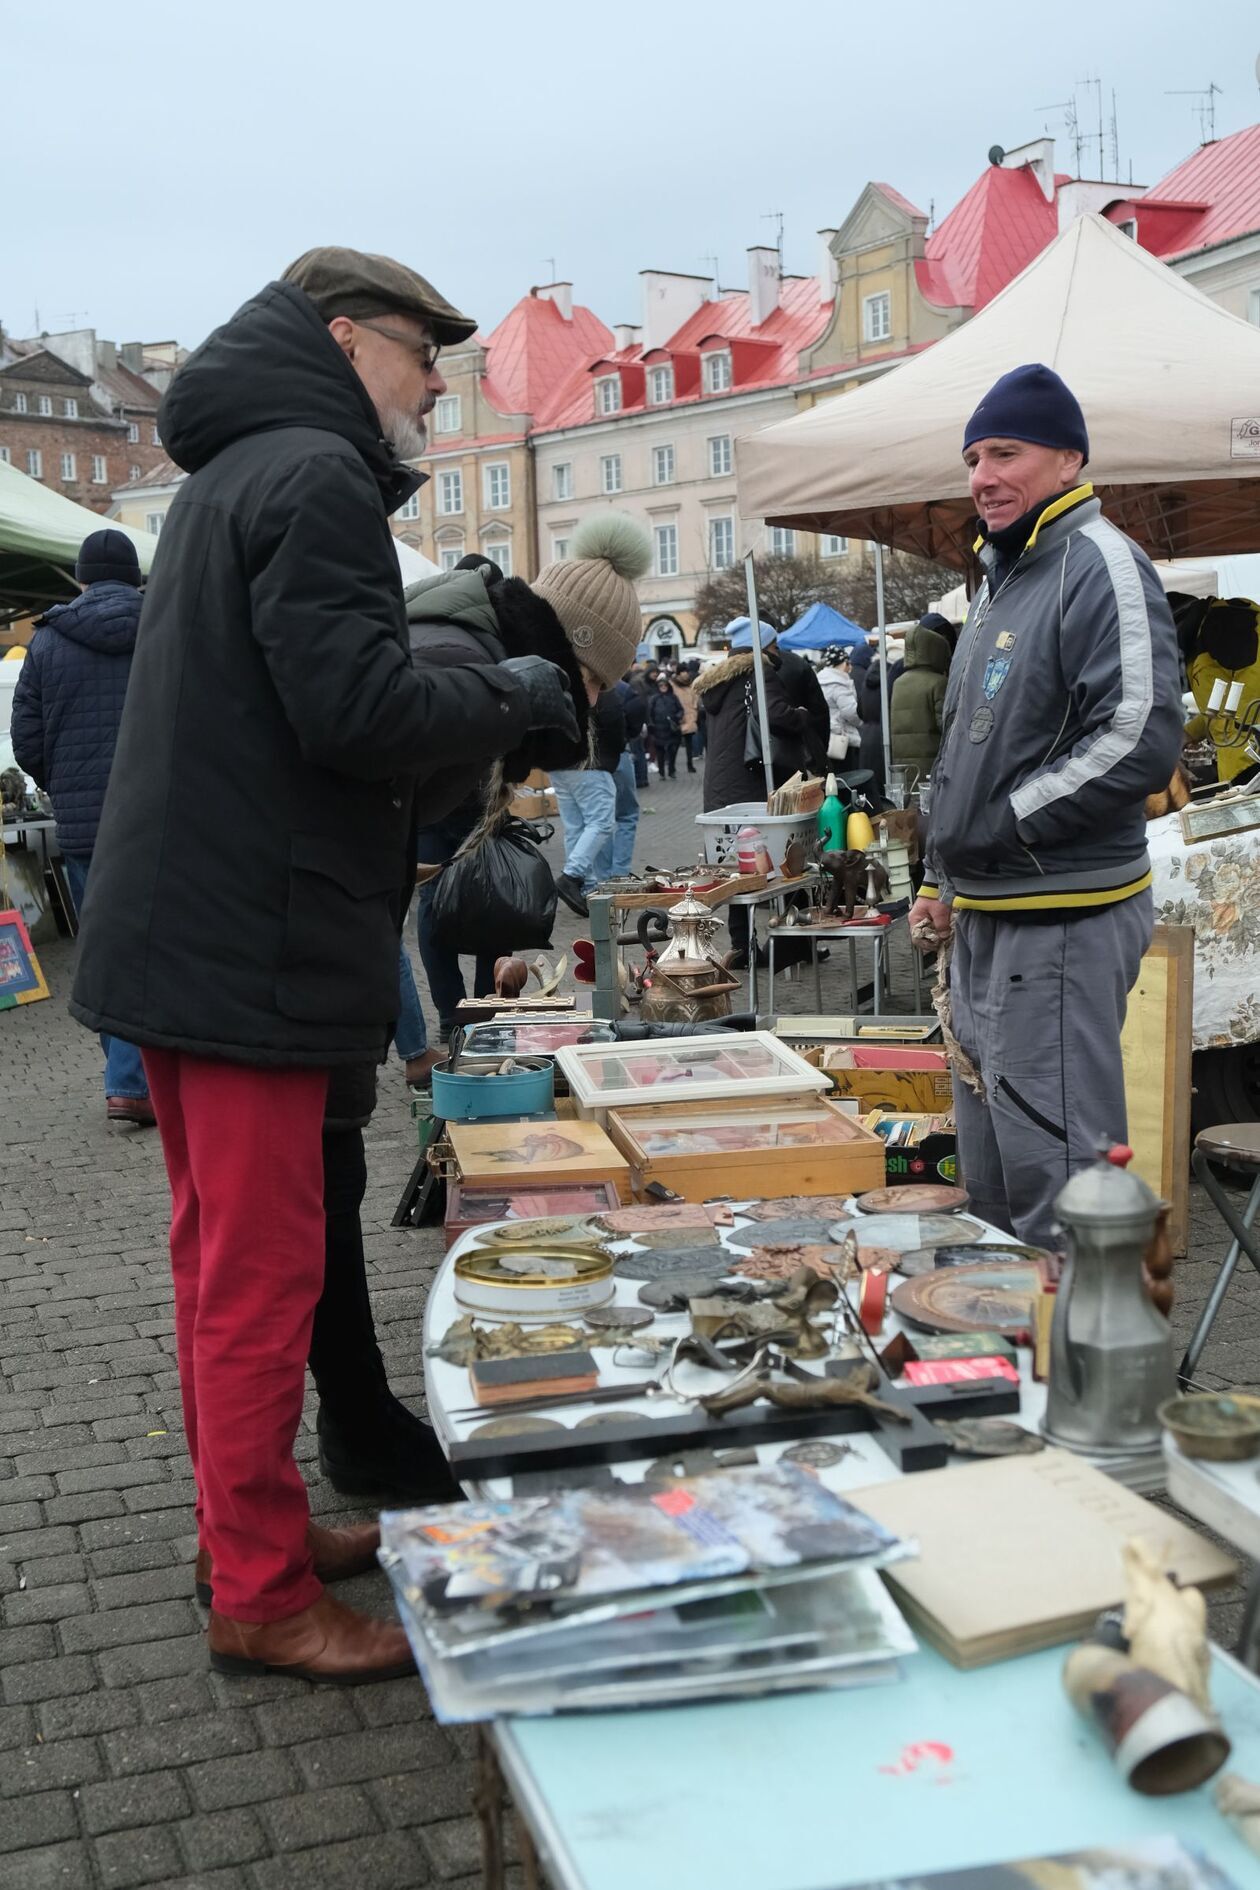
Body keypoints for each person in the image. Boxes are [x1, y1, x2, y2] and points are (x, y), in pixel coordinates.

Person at [69, 246, 580, 1685]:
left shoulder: (247, 471)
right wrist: (512, 688)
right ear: (350, 338)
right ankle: (259, 1590)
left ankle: (251, 1529)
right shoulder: (311, 476)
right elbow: (353, 705)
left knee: (222, 1265)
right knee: (260, 1275)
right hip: (245, 947)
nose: (434, 384)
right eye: (425, 355)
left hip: (205, 935)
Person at [909, 363, 1182, 1249]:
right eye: (974, 456)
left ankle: (1089, 1377)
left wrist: (998, 824)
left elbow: (1140, 735)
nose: (982, 475)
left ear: (1069, 460)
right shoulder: (1002, 579)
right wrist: (945, 875)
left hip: (1062, 919)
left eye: (1005, 452)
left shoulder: (1099, 560)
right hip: (991, 916)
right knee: (992, 1198)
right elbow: (974, 748)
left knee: (1062, 1199)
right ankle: (1006, 1373)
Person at [404, 549, 591, 1040]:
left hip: (432, 796)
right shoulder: (479, 638)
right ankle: (483, 1008)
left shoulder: (437, 624)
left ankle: (454, 1014)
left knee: (436, 902)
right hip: (472, 792)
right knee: (491, 896)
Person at [10, 529, 154, 1125]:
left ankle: (125, 1079)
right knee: (166, 948)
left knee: (105, 947)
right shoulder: (167, 625)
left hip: (86, 826)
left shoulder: (45, 642)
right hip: (162, 817)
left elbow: (27, 743)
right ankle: (149, 1079)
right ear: (134, 575)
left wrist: (65, 781)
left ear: (81, 578)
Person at [695, 625, 829, 967]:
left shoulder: (717, 682)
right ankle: (790, 941)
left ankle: (741, 947)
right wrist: (801, 715)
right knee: (785, 860)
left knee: (738, 869)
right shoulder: (760, 671)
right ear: (767, 645)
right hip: (751, 780)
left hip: (721, 786)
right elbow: (777, 716)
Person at [540, 514, 651, 918]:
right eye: (593, 679)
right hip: (590, 766)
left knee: (577, 824)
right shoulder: (606, 697)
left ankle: (581, 881)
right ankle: (574, 877)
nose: (591, 695)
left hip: (563, 767)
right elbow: (620, 723)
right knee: (601, 822)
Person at [1172, 593, 1260, 783]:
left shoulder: (1218, 635)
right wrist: (1188, 734)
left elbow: (1234, 720)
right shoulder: (1229, 623)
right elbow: (1228, 710)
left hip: (1248, 764)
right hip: (1245, 759)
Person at [890, 616, 951, 791]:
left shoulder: (898, 683)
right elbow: (947, 727)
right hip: (932, 767)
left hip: (903, 768)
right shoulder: (938, 683)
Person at [598, 671, 644, 879]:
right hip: (618, 754)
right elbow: (638, 710)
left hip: (589, 761)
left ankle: (604, 877)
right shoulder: (620, 688)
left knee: (600, 820)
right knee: (626, 815)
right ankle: (620, 873)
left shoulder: (576, 684)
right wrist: (629, 734)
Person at [816, 643, 860, 764]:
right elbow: (851, 712)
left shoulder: (820, 680)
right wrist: (862, 723)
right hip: (843, 738)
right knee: (850, 776)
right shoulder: (838, 683)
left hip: (827, 736)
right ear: (844, 662)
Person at [646, 674, 684, 778]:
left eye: (665, 685)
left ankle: (671, 770)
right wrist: (651, 725)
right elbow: (649, 714)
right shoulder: (654, 699)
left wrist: (676, 717)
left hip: (671, 729)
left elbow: (681, 710)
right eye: (661, 685)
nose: (663, 687)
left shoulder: (673, 697)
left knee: (672, 751)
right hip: (658, 729)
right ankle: (662, 772)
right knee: (660, 752)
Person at [671, 666, 700, 772]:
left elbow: (695, 699)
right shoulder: (672, 685)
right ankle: (671, 767)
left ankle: (690, 764)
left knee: (689, 743)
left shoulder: (690, 685)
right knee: (675, 744)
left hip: (690, 717)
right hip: (678, 717)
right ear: (678, 673)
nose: (685, 674)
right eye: (683, 671)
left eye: (686, 671)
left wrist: (694, 710)